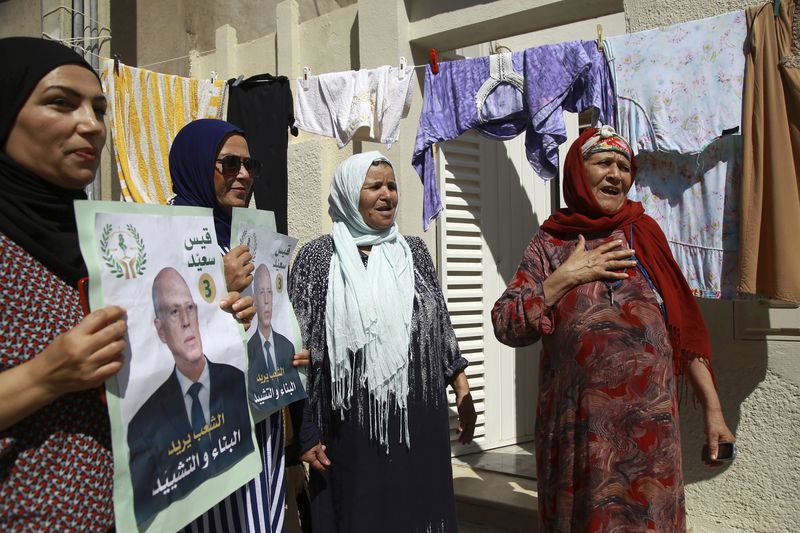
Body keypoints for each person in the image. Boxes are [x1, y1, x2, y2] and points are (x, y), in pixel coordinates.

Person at [491, 125, 736, 531]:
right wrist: (563, 279)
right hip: (579, 437)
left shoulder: (645, 235)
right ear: (577, 171)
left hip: (650, 441)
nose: (616, 174)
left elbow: (684, 332)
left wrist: (714, 411)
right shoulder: (550, 244)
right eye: (603, 162)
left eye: (624, 167)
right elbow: (506, 324)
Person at [289, 151, 476, 533]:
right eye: (374, 186)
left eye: (391, 186)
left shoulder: (414, 252)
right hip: (350, 430)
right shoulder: (317, 258)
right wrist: (304, 433)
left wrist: (461, 387)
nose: (387, 195)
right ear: (348, 194)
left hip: (417, 421)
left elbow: (439, 323)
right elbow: (296, 352)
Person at [168, 118, 309, 533]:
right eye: (230, 163)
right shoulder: (167, 232)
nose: (244, 175)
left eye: (250, 165)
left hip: (258, 418)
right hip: (206, 426)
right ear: (196, 163)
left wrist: (289, 355)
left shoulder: (247, 233)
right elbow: (154, 329)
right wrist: (216, 285)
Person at [127, 267, 253, 524]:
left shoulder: (237, 381)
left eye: (190, 308)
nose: (186, 320)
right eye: (174, 312)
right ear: (160, 330)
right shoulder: (142, 426)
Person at [248, 263, 305, 407]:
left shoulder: (287, 346)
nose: (266, 300)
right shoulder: (248, 349)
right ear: (254, 298)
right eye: (261, 292)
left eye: (269, 292)